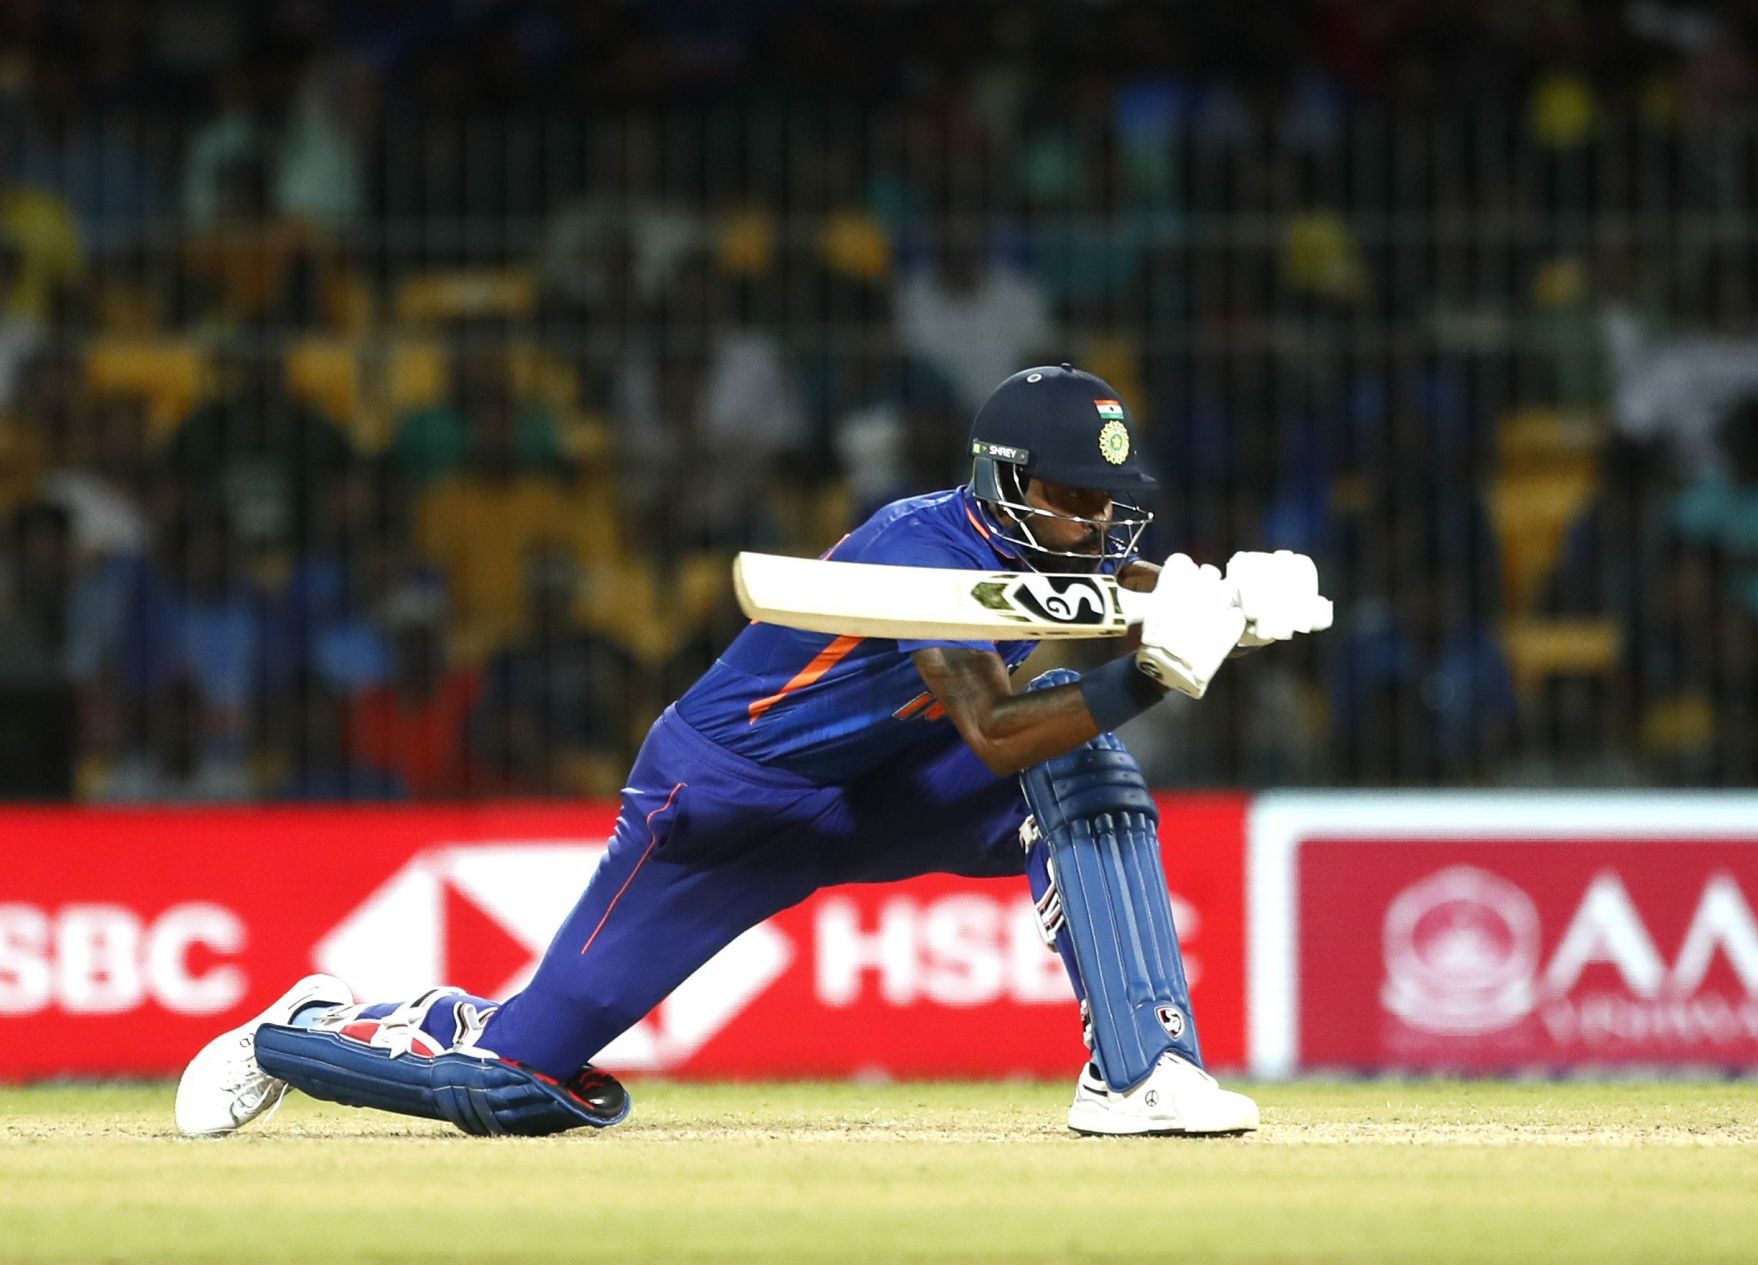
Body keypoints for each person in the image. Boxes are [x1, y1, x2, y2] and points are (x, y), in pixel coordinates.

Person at [174, 365, 1330, 1140]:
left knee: (1086, 769)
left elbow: (1108, 588)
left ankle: (1142, 1071)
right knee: (511, 1086)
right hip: (725, 804)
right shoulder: (915, 549)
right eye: (1075, 496)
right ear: (1005, 479)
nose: (1096, 520)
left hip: (879, 794)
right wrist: (1150, 669)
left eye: (1110, 501)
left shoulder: (1060, 547)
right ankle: (308, 1027)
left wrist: (1225, 592)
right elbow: (990, 724)